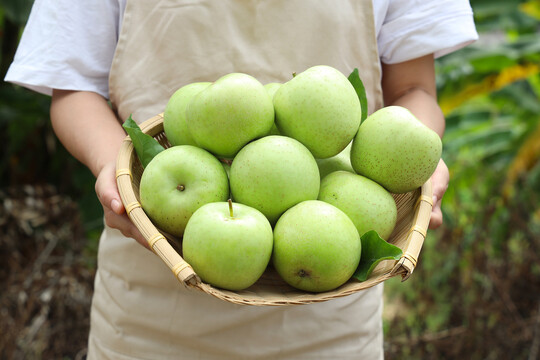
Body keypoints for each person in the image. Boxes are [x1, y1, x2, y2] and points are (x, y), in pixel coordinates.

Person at [5, 0, 478, 358]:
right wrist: (121, 171)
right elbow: (73, 87)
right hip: (153, 291)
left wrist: (417, 162)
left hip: (330, 312)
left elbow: (414, 89)